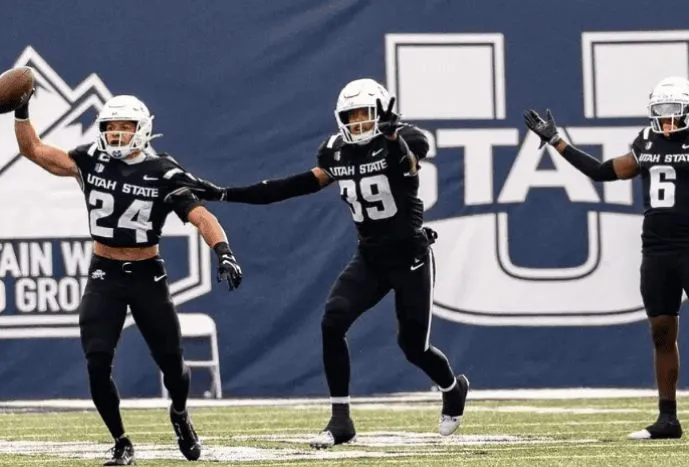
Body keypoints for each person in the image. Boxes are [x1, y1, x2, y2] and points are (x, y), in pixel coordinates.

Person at [185, 78, 469, 449]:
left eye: (364, 115)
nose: (357, 123)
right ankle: (341, 420)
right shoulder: (336, 152)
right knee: (333, 320)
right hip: (370, 256)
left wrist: (392, 135)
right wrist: (225, 193)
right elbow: (290, 187)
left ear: (381, 112)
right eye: (350, 116)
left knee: (412, 346)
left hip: (409, 255)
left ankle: (452, 388)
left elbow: (416, 152)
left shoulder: (401, 140)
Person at [523, 76, 689, 440]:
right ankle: (667, 418)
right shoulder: (647, 141)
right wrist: (557, 141)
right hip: (655, 250)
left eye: (674, 114)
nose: (667, 122)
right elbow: (602, 172)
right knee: (661, 333)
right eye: (662, 114)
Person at [13, 89, 243, 465]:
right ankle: (121, 441)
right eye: (111, 127)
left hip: (147, 276)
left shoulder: (163, 171)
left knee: (173, 364)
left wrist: (223, 251)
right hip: (104, 274)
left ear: (143, 130)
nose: (117, 134)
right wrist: (21, 112)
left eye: (126, 127)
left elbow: (201, 216)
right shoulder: (89, 158)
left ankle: (181, 414)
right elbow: (35, 151)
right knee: (97, 360)